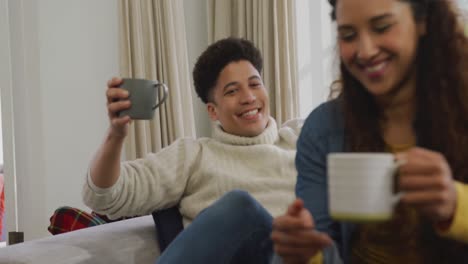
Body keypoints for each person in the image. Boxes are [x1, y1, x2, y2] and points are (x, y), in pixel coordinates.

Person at [271, 0, 468, 263]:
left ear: (422, 21)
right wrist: (307, 251)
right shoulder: (323, 128)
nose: (365, 51)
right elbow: (323, 242)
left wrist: (455, 205)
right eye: (348, 35)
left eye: (382, 27)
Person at [82, 37, 301, 263]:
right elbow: (104, 196)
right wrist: (115, 136)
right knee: (240, 207)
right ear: (213, 111)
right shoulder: (194, 156)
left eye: (255, 84)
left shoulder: (300, 140)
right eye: (232, 91)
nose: (249, 97)